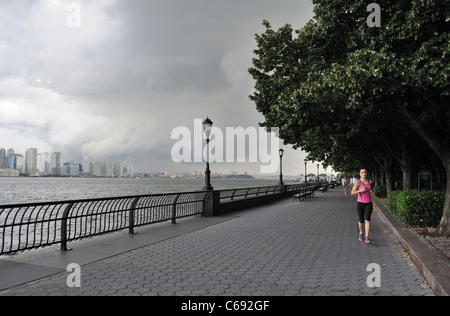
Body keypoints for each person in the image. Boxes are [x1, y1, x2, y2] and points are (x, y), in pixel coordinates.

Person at [351, 168, 375, 244]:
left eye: (365, 172)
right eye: (362, 172)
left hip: (368, 203)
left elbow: (370, 190)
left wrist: (372, 192)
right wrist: (360, 190)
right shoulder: (358, 182)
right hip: (360, 204)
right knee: (361, 220)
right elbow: (352, 193)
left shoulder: (369, 182)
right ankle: (361, 233)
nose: (364, 173)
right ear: (360, 174)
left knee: (367, 219)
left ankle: (367, 236)